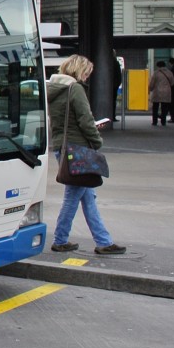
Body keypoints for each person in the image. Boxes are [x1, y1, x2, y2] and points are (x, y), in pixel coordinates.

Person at [47, 54, 126, 255]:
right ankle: (60, 240)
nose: (87, 77)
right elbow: (85, 120)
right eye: (87, 73)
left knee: (88, 197)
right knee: (73, 196)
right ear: (79, 70)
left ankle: (103, 241)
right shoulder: (75, 89)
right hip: (77, 149)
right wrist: (97, 140)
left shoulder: (54, 89)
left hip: (62, 147)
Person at [148, 60, 174, 127]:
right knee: (164, 108)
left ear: (158, 66)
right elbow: (173, 82)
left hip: (157, 92)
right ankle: (163, 121)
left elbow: (152, 83)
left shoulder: (156, 73)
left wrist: (150, 89)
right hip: (166, 92)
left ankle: (155, 121)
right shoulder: (169, 73)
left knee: (155, 108)